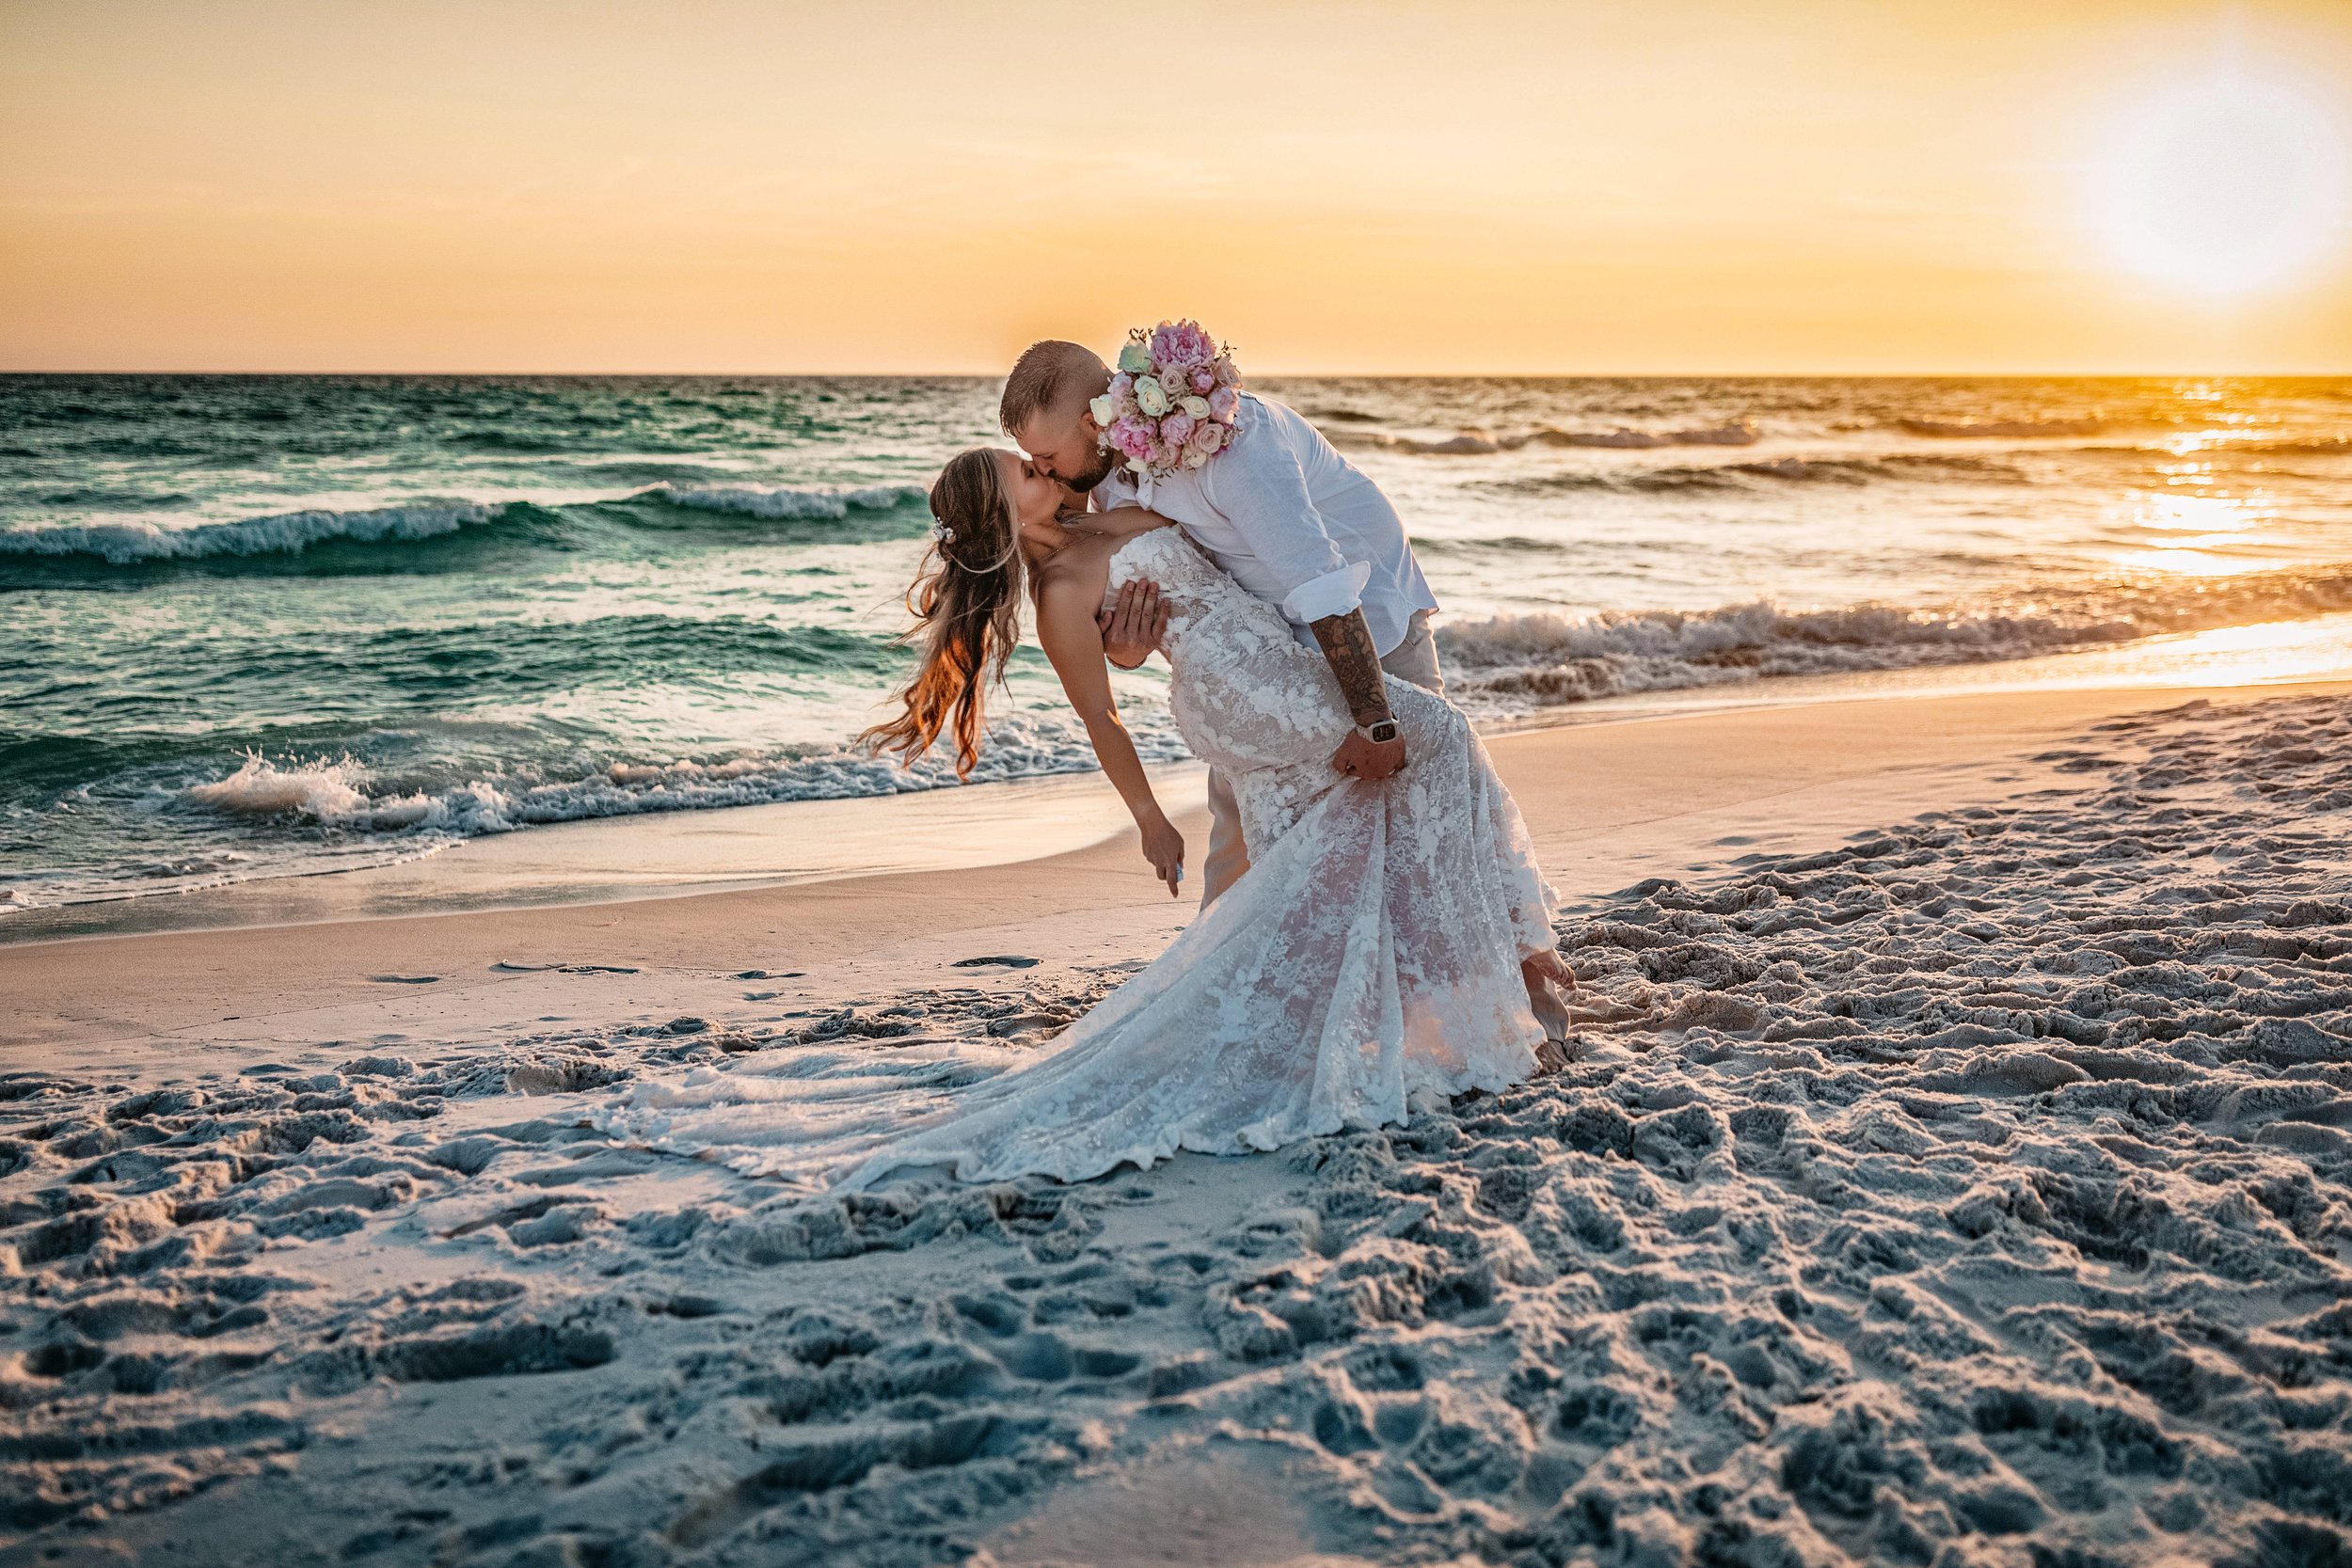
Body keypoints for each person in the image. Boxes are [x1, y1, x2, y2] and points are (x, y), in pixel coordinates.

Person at [596, 447, 1575, 1190]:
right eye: (1019, 470)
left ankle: (1420, 1003)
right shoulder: (1064, 589)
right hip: (1242, 694)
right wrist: (1149, 813)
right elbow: (1102, 716)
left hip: (1277, 661)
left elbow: (1215, 545)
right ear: (1004, 513)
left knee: (1338, 833)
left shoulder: (1110, 506)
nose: (1039, 465)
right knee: (1432, 735)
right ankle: (1515, 963)